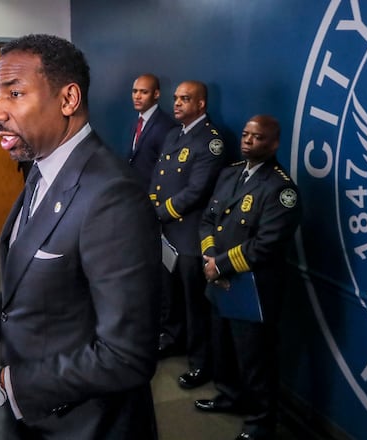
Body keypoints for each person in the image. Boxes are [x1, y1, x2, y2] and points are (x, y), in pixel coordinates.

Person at [0, 34, 161, 439]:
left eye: (14, 93)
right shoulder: (43, 167)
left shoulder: (112, 195)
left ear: (68, 100)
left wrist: (0, 386)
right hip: (37, 418)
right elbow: (45, 287)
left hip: (88, 425)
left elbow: (127, 356)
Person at [195, 115, 300, 440]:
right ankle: (230, 396)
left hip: (252, 287)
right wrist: (210, 256)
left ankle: (260, 422)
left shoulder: (281, 189)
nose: (248, 141)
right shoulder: (229, 173)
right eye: (245, 134)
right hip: (219, 279)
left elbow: (267, 244)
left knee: (255, 358)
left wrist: (220, 265)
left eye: (257, 137)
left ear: (273, 144)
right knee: (223, 346)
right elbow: (209, 218)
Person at [148, 80, 227, 388]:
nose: (177, 103)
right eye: (176, 98)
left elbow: (196, 192)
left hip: (190, 237)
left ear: (201, 104)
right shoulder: (173, 135)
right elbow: (159, 178)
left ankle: (200, 363)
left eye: (185, 99)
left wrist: (158, 213)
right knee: (170, 297)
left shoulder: (210, 141)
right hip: (167, 233)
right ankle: (172, 339)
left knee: (195, 307)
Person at [127, 73, 177, 188]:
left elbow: (165, 168)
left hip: (151, 195)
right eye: (134, 91)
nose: (137, 96)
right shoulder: (136, 123)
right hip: (134, 191)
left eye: (144, 92)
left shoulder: (166, 126)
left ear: (156, 94)